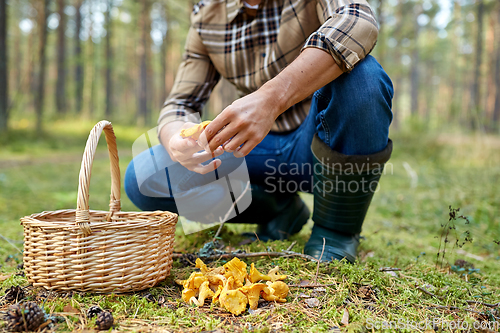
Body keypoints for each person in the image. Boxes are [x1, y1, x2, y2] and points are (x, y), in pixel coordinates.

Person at [125, 0, 394, 263]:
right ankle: (278, 208)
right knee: (144, 178)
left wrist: (271, 99)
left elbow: (358, 20)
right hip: (250, 148)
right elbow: (180, 103)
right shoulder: (206, 15)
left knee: (365, 79)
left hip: (319, 142)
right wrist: (175, 138)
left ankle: (335, 233)